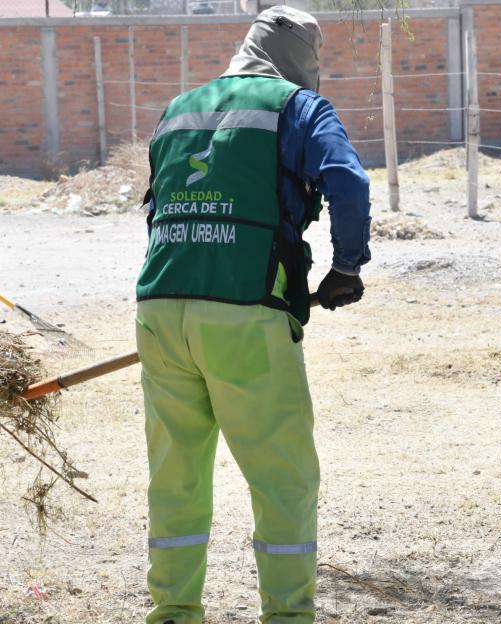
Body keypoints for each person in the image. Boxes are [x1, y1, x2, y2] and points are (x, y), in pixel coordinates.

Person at [133, 6, 371, 623]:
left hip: (160, 307)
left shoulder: (179, 108)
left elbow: (158, 205)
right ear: (303, 58)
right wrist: (347, 267)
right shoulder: (298, 107)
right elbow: (347, 182)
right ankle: (287, 616)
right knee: (282, 477)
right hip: (246, 310)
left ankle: (174, 612)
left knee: (176, 476)